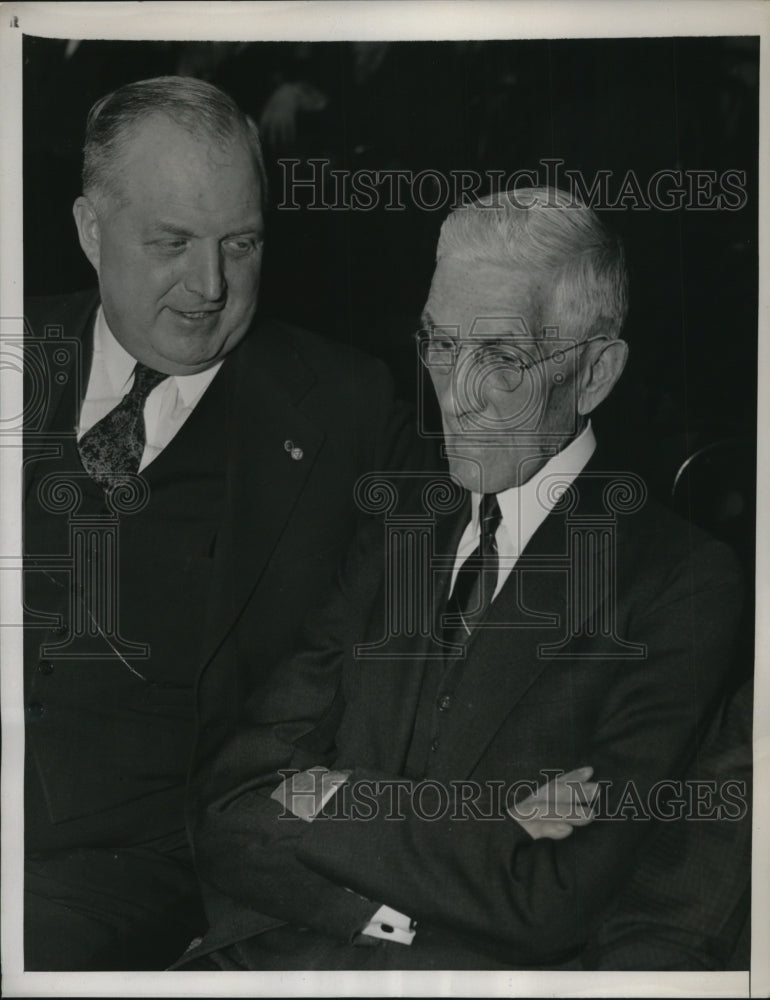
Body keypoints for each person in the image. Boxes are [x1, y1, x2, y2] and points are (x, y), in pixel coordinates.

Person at [182, 187, 745, 970]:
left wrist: (330, 794)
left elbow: (550, 895)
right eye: (441, 345)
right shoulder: (395, 529)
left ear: (594, 374)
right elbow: (228, 803)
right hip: (277, 955)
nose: (458, 395)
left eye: (503, 359)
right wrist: (466, 834)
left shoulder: (678, 582)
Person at [22, 75, 424, 970]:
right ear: (91, 232)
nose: (210, 286)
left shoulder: (343, 412)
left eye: (240, 243)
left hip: (117, 869)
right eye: (171, 242)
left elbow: (472, 568)